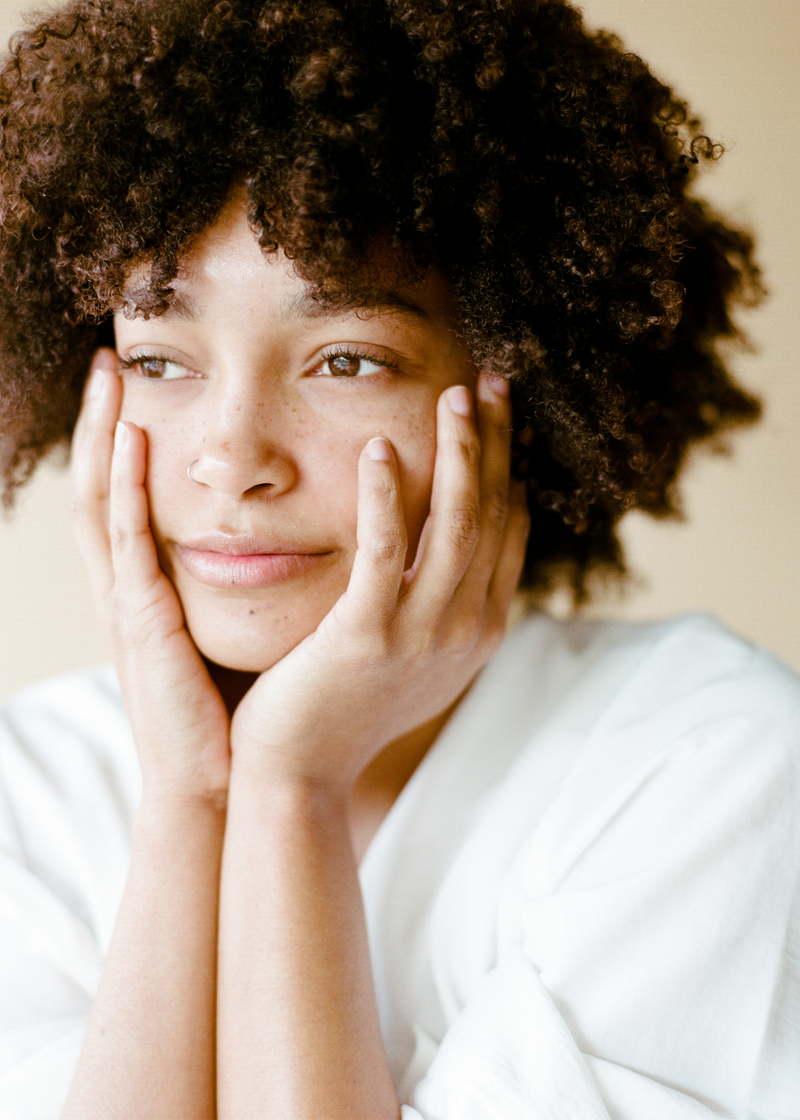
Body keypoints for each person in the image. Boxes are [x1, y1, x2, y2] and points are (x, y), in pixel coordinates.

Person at [0, 0, 798, 1117]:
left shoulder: (710, 765)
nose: (232, 459)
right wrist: (188, 799)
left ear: (516, 389)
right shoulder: (26, 794)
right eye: (160, 358)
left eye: (343, 358)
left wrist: (291, 787)